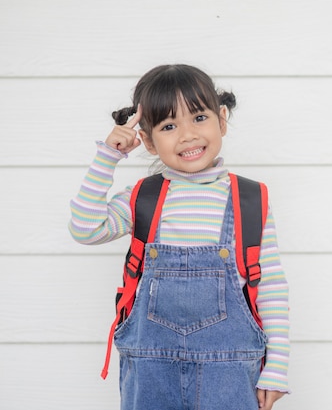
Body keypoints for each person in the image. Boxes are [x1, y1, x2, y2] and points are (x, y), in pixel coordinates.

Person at [69, 64, 289, 410]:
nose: (187, 135)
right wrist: (107, 157)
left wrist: (276, 365)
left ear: (222, 120)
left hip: (229, 370)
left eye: (199, 118)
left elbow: (272, 283)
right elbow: (85, 228)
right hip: (151, 369)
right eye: (169, 126)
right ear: (148, 141)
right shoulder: (143, 197)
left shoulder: (250, 199)